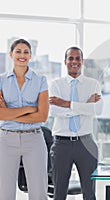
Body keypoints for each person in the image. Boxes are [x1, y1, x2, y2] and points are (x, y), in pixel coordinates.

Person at [49, 46, 103, 200]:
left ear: (82, 61)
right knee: (59, 194)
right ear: (65, 62)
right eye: (70, 58)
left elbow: (97, 110)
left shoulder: (93, 84)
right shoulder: (56, 84)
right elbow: (54, 112)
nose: (74, 61)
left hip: (86, 143)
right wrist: (84, 105)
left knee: (89, 193)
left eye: (77, 58)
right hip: (61, 145)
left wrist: (66, 103)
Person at [0, 39, 49, 200]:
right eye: (18, 51)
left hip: (34, 139)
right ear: (11, 54)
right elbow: (0, 115)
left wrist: (10, 111)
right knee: (4, 193)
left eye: (26, 52)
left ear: (31, 55)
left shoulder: (40, 80)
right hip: (6, 140)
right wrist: (29, 109)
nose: (22, 55)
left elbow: (42, 116)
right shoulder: (1, 80)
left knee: (38, 193)